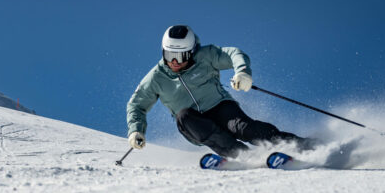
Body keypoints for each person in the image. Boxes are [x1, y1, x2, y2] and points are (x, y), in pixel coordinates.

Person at [126, 25, 313, 158]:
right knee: (184, 116)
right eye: (169, 55)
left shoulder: (205, 56)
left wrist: (242, 73)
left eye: (180, 56)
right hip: (194, 124)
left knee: (245, 128)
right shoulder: (156, 78)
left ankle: (300, 145)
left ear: (191, 52)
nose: (174, 62)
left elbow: (234, 54)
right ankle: (243, 155)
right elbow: (137, 105)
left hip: (220, 107)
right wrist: (136, 131)